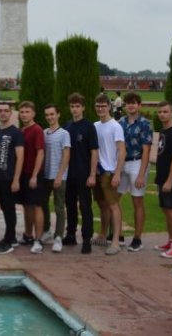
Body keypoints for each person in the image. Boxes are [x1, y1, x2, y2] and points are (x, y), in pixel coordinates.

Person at [62, 93, 98, 254]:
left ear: (83, 107)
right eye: (72, 106)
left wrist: (92, 174)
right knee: (70, 205)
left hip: (83, 173)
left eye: (77, 106)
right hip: (69, 174)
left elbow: (94, 152)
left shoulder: (89, 127)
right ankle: (70, 234)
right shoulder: (67, 126)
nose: (75, 109)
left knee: (85, 207)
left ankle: (86, 239)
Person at [117, 92, 152, 252]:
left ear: (139, 105)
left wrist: (141, 174)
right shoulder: (120, 122)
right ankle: (119, 233)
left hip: (137, 162)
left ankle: (137, 238)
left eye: (133, 103)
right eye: (128, 103)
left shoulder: (145, 124)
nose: (130, 105)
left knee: (137, 200)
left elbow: (146, 150)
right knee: (114, 198)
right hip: (123, 163)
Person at [92, 94, 126, 256]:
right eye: (98, 106)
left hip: (109, 171)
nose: (100, 109)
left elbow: (122, 151)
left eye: (103, 106)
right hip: (97, 171)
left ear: (109, 107)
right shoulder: (95, 126)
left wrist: (117, 172)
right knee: (102, 205)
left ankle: (116, 241)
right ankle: (103, 234)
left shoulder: (115, 126)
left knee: (113, 205)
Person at [0, 102, 24, 255]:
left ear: (11, 113)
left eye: (6, 111)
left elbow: (20, 157)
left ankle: (10, 239)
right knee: (4, 208)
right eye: (0, 111)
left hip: (9, 178)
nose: (3, 113)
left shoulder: (16, 133)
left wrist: (16, 179)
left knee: (10, 209)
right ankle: (10, 237)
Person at [153, 102, 172, 258]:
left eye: (165, 111)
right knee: (166, 210)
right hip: (162, 177)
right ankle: (171, 240)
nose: (162, 114)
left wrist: (170, 180)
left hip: (171, 180)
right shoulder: (164, 131)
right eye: (159, 111)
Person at [42, 104, 70, 253]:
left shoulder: (64, 133)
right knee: (43, 204)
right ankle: (46, 231)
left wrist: (59, 175)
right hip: (45, 175)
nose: (49, 117)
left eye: (52, 114)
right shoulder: (44, 133)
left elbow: (66, 155)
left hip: (59, 176)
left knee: (59, 207)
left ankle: (58, 236)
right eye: (47, 115)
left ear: (58, 114)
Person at [18, 101, 45, 254]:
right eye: (22, 112)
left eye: (27, 112)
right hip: (24, 173)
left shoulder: (37, 130)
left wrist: (35, 175)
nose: (24, 114)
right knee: (26, 205)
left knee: (36, 206)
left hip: (35, 174)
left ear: (33, 113)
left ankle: (38, 239)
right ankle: (28, 235)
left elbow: (40, 153)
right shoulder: (23, 130)